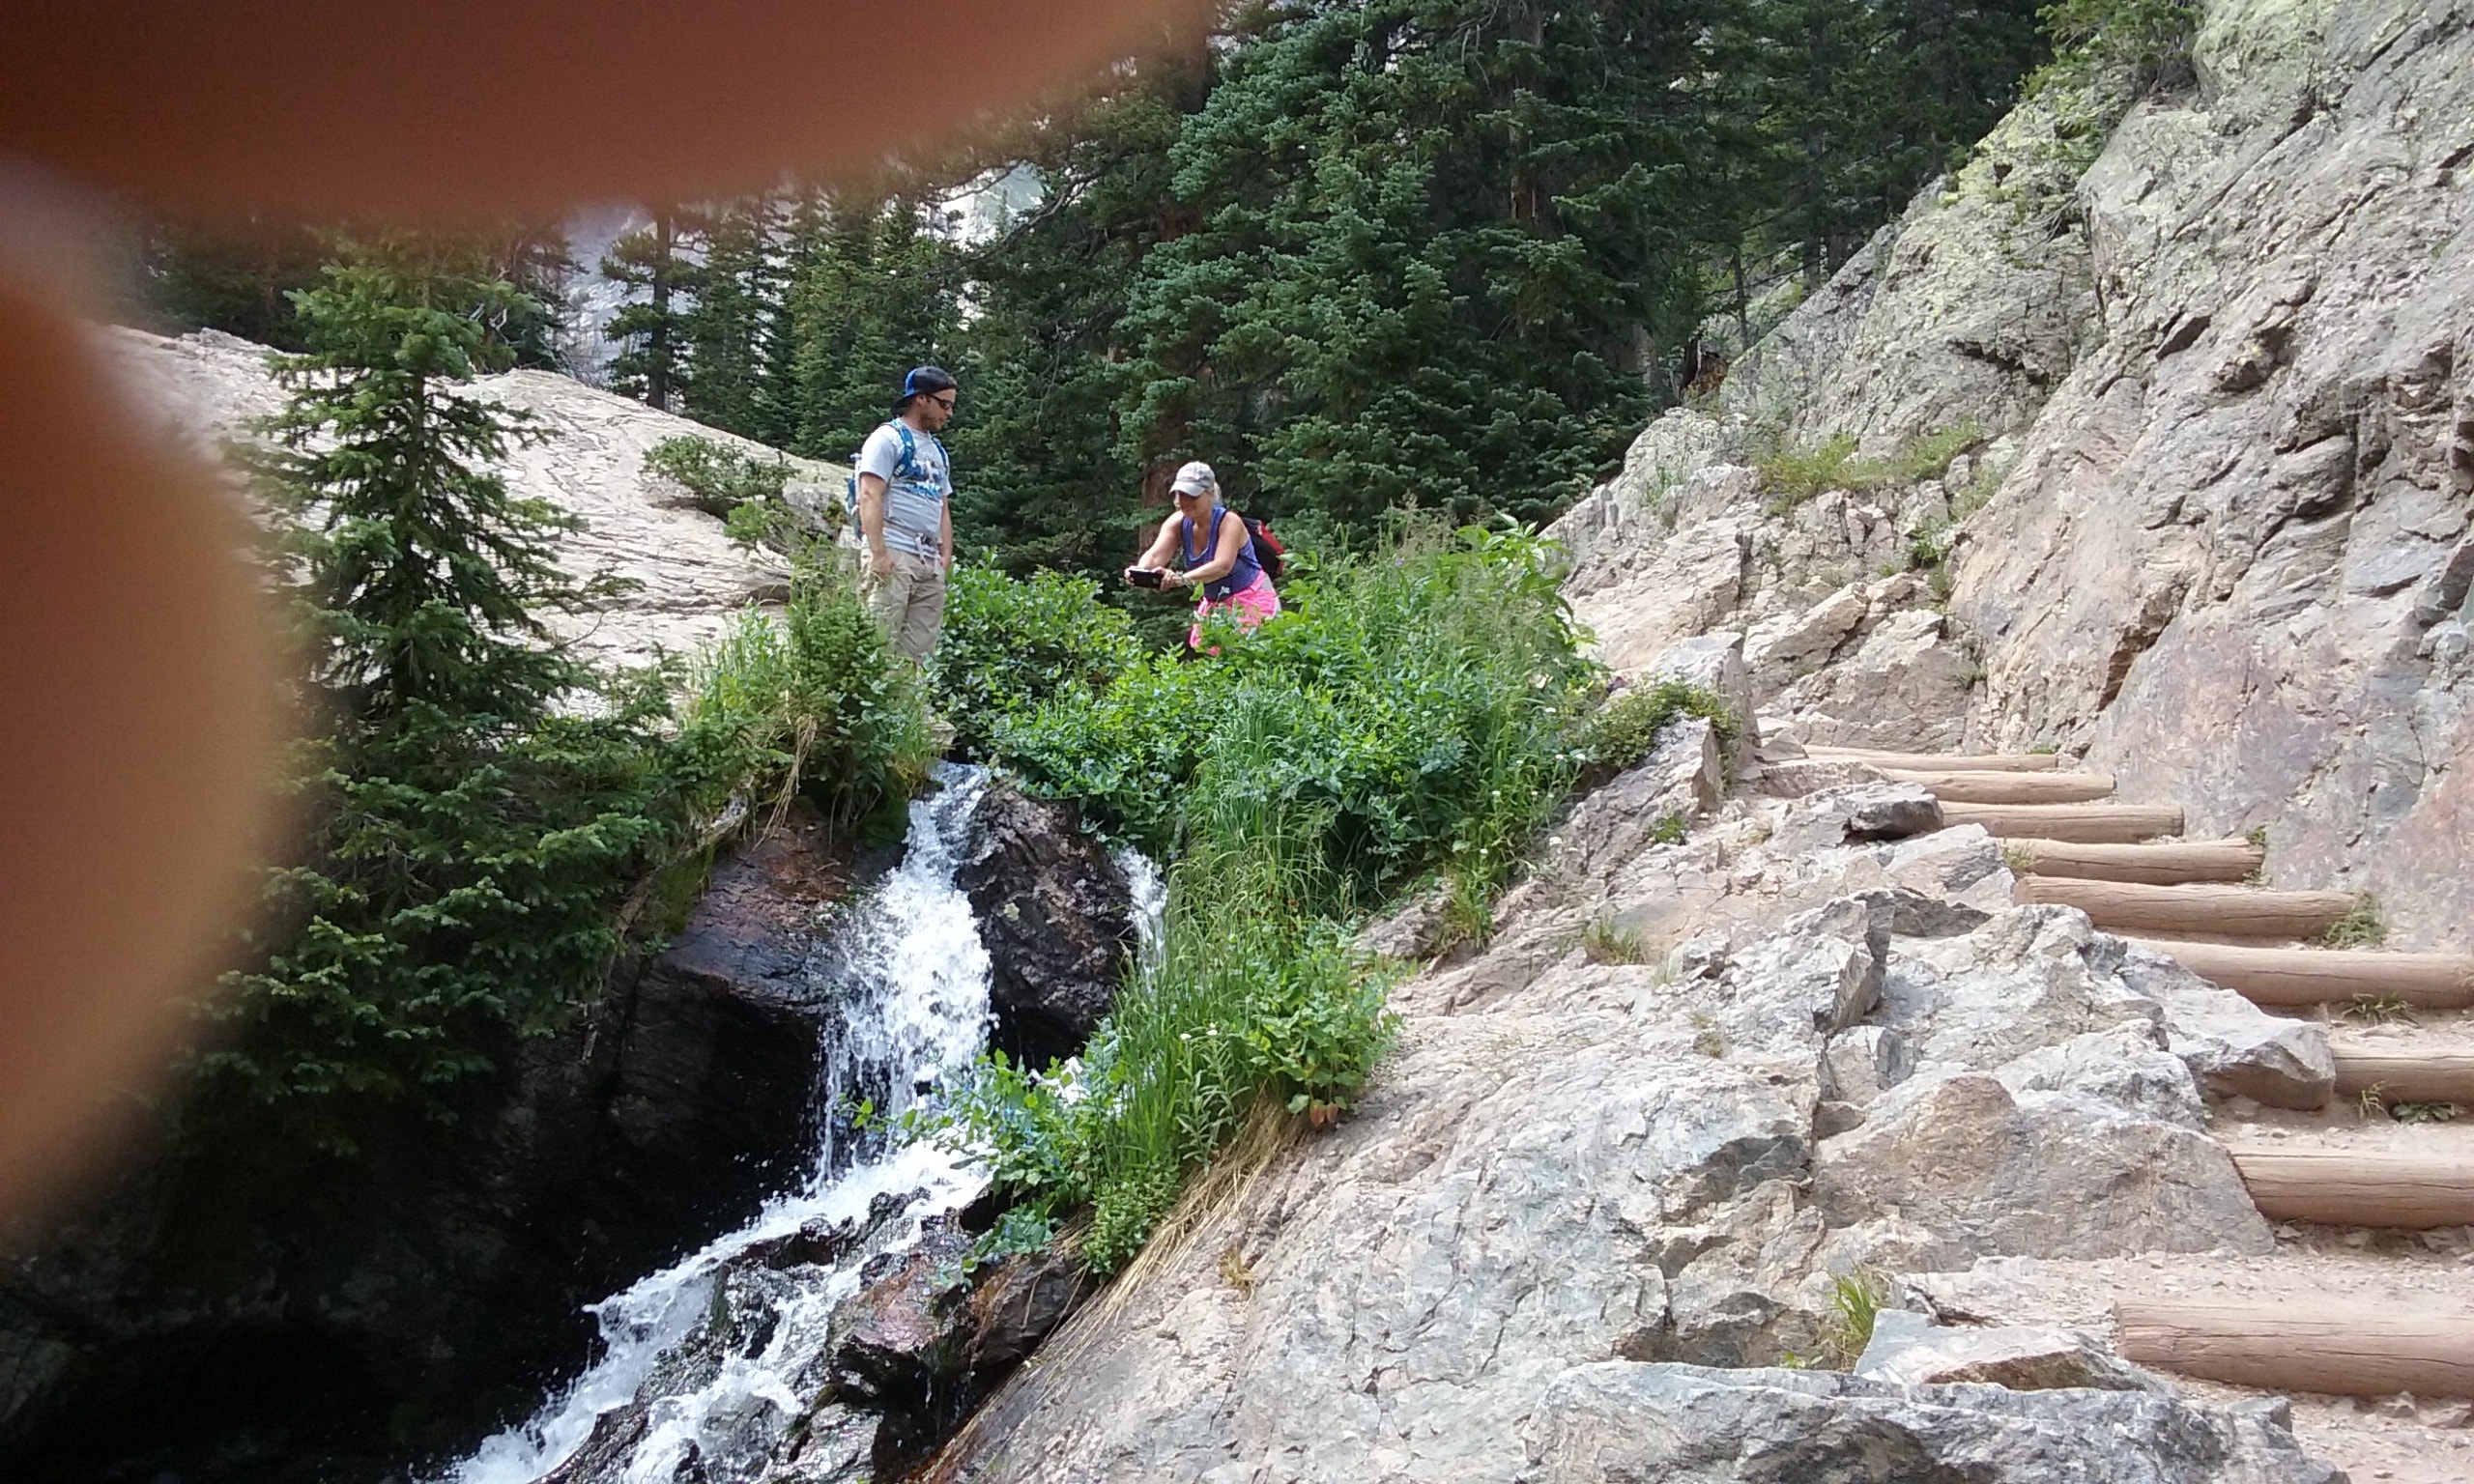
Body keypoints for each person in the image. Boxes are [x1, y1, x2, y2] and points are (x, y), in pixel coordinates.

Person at [852, 365, 958, 662]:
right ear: (921, 399)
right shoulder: (887, 439)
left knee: (916, 654)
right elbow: (869, 494)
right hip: (894, 552)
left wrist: (945, 556)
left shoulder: (938, 452)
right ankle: (872, 707)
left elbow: (942, 505)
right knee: (878, 642)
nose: (949, 413)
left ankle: (906, 707)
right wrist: (878, 553)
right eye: (945, 404)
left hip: (928, 562)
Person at [1126, 460, 1280, 648]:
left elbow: (1222, 566)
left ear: (1209, 494)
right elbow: (1155, 555)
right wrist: (1140, 570)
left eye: (1192, 494)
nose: (1184, 501)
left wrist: (1180, 579)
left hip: (1253, 601)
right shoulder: (1177, 522)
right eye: (1180, 494)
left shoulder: (1229, 522)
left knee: (1249, 659)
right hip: (1217, 606)